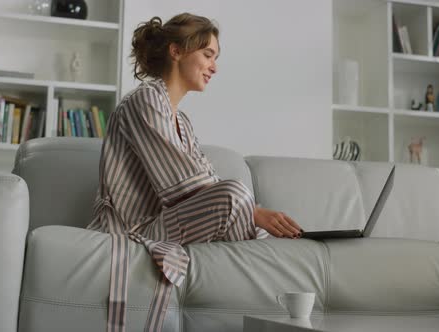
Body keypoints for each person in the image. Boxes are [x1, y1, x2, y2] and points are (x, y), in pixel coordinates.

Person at [86, 13, 303, 332]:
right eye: (208, 55)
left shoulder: (182, 122)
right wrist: (253, 212)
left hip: (166, 224)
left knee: (249, 212)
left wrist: (253, 216)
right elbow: (183, 182)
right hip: (134, 229)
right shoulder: (145, 100)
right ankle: (265, 294)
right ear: (176, 52)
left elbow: (203, 179)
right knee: (236, 195)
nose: (214, 66)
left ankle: (258, 293)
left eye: (215, 57)